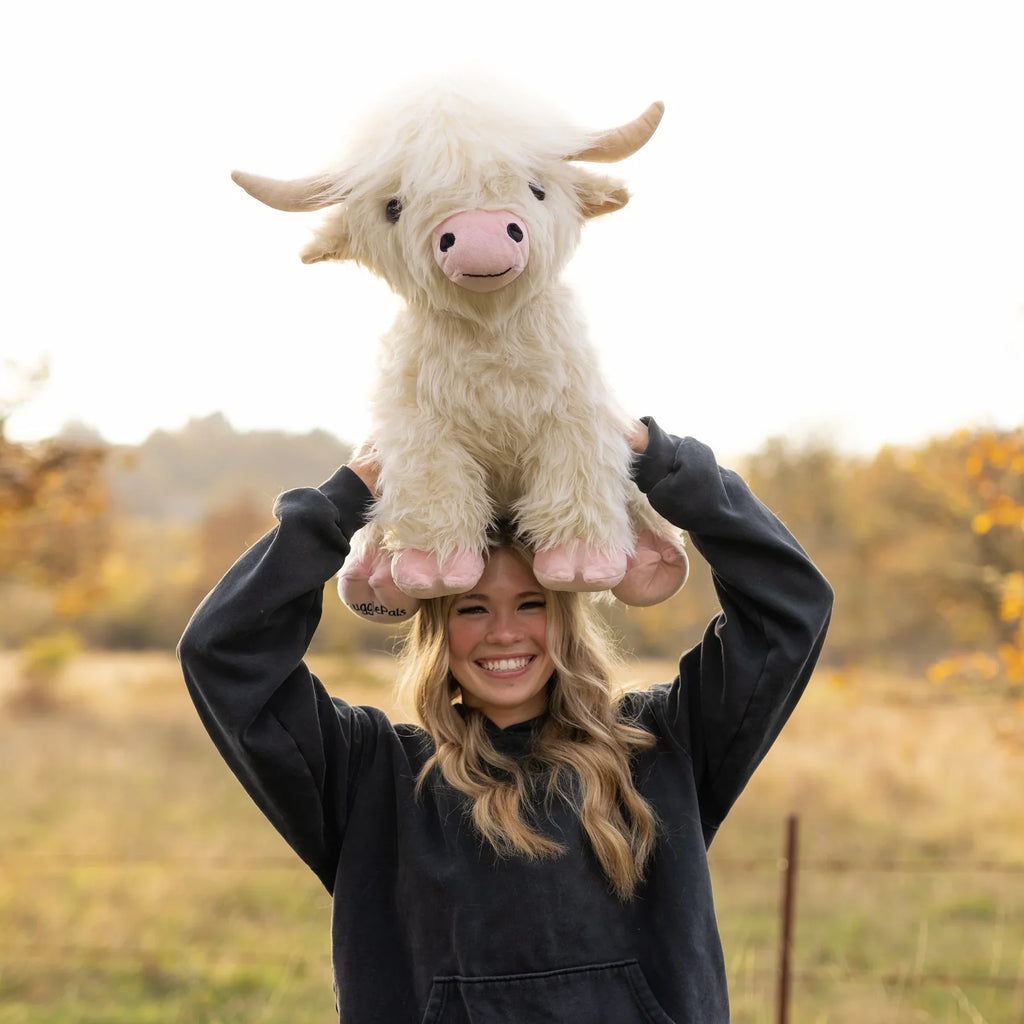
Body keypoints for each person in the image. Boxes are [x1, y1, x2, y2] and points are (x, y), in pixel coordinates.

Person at [178, 417, 833, 1023]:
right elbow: (226, 654)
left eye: (529, 604)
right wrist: (346, 500)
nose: (503, 634)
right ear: (437, 628)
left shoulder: (662, 746)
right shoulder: (370, 777)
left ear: (566, 616)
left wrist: (656, 464)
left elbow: (789, 608)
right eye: (470, 609)